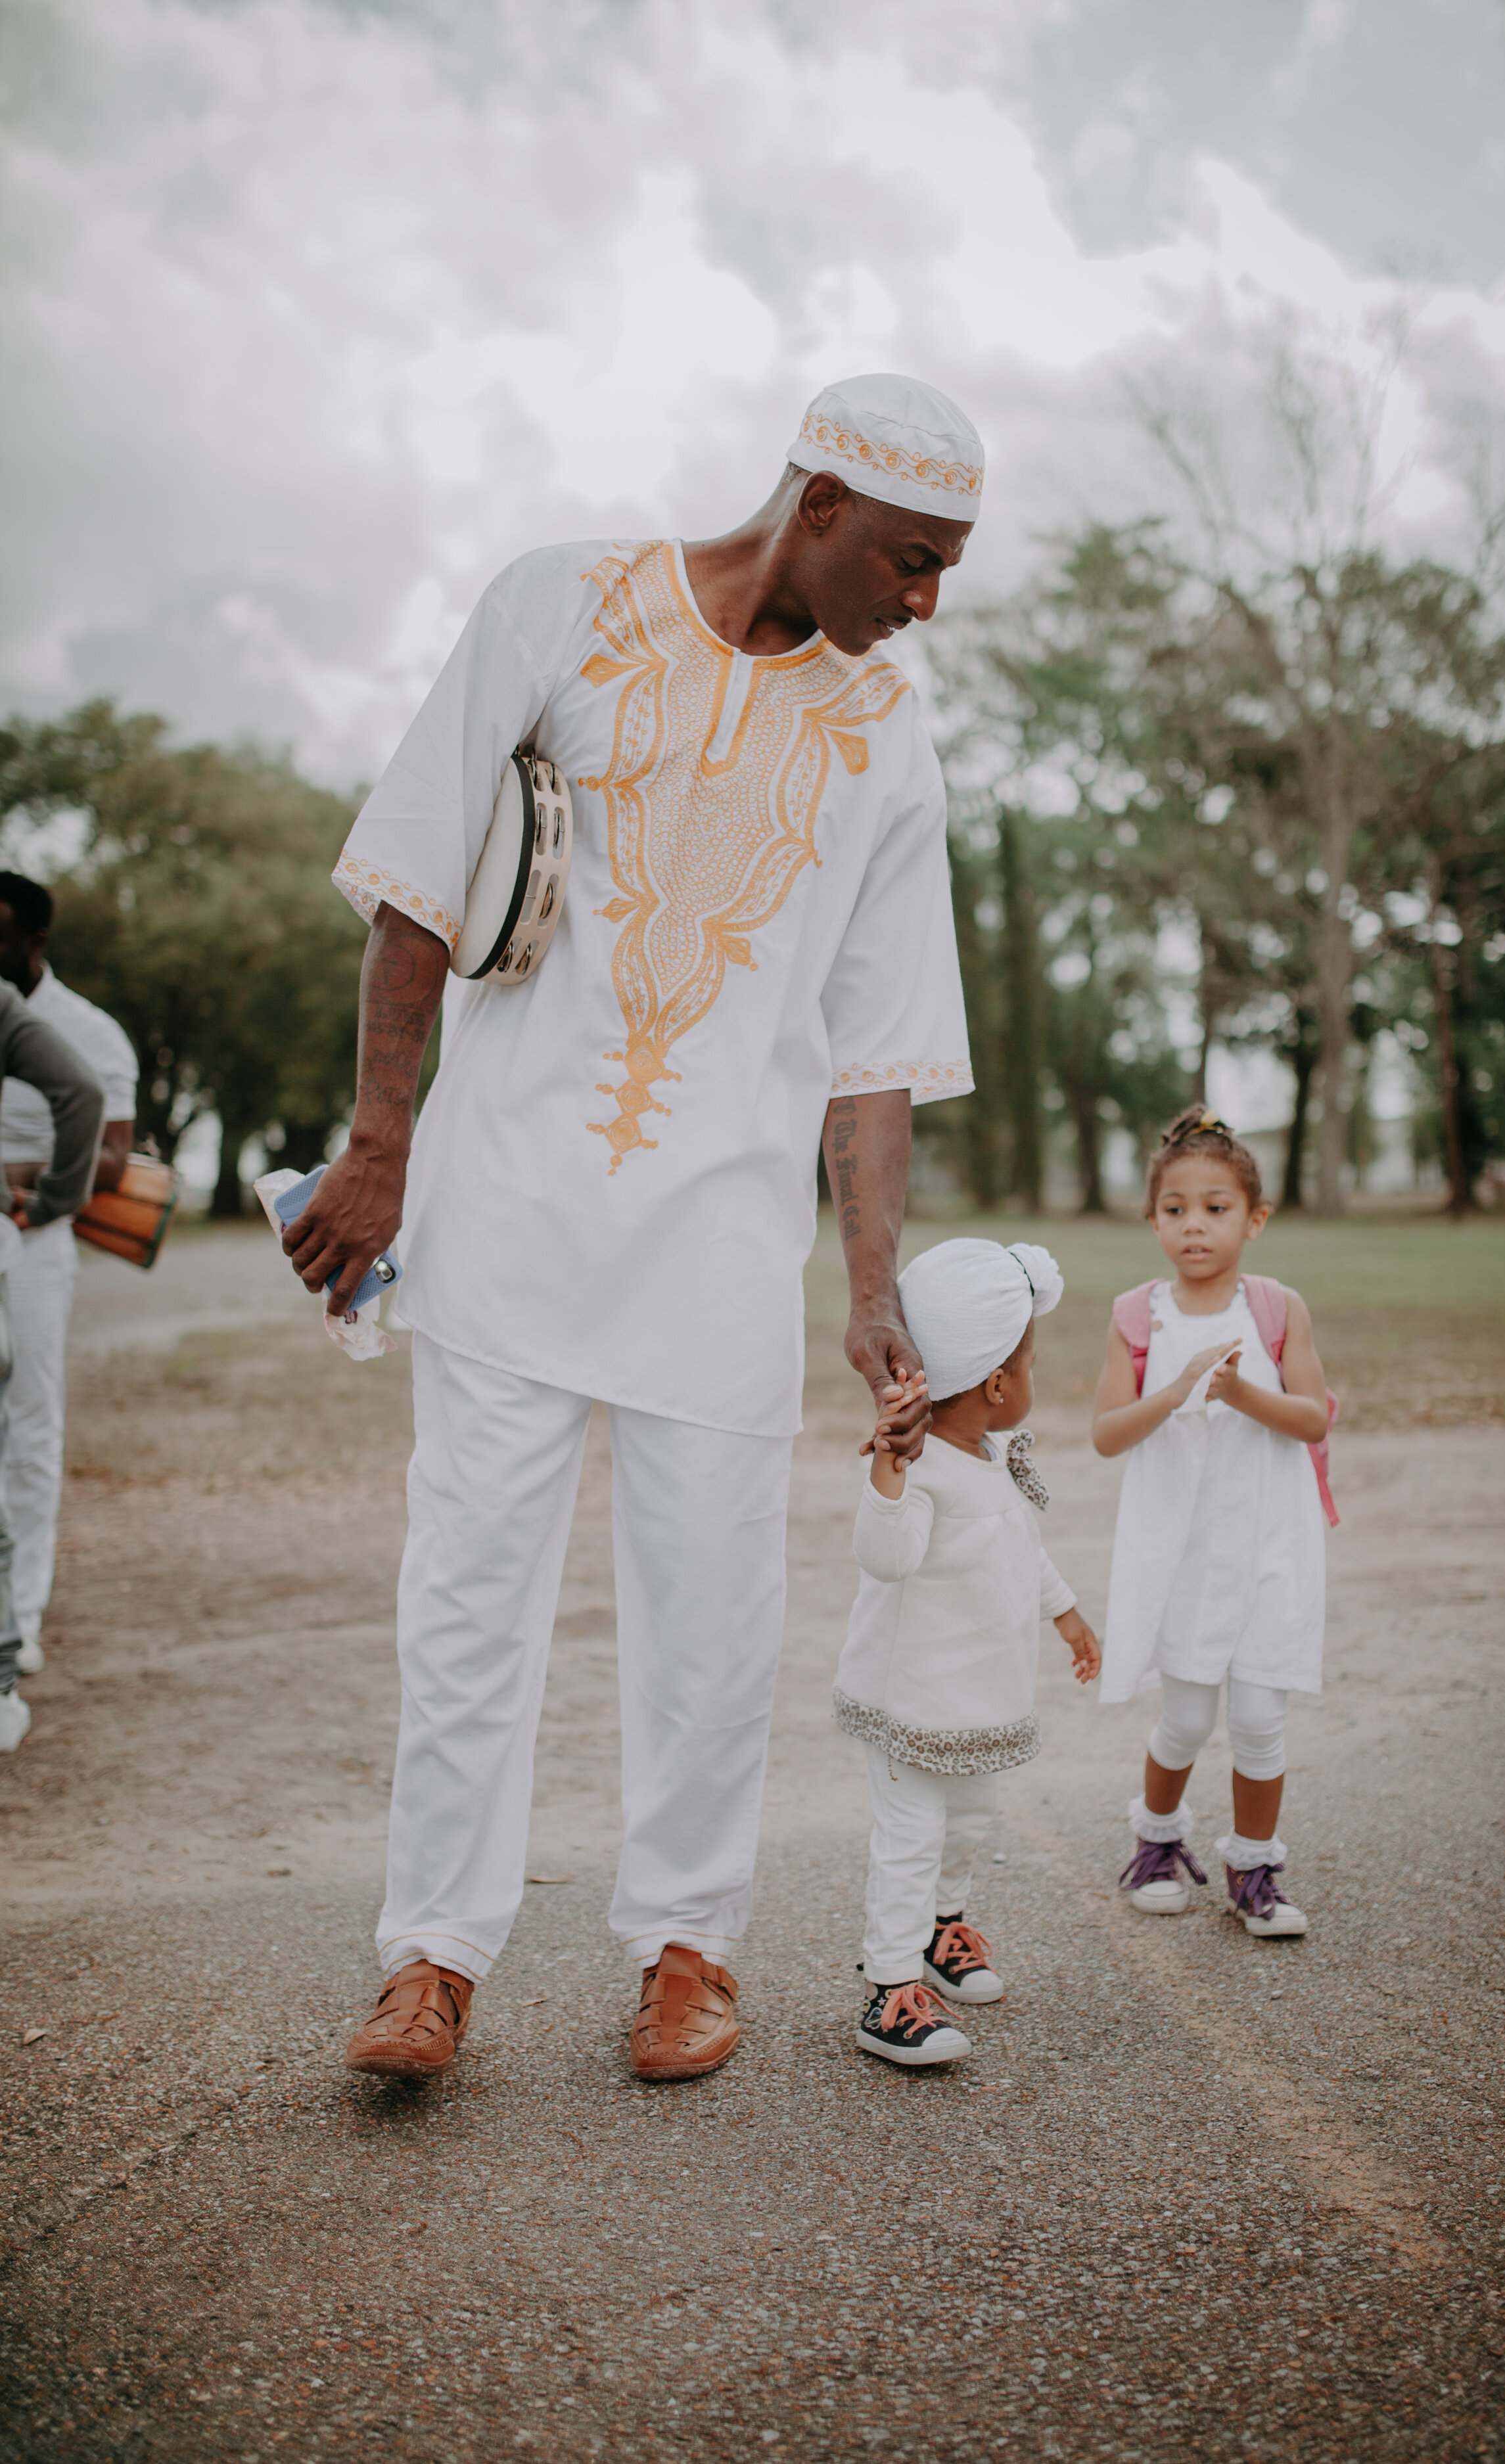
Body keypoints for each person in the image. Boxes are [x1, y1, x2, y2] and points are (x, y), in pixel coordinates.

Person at [283, 375, 983, 2083]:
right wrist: (378, 1141)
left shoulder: (887, 727)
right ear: (815, 504)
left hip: (724, 1249)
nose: (924, 601)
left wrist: (873, 1283)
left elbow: (877, 1046)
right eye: (910, 557)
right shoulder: (558, 599)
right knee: (464, 1599)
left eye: (946, 566)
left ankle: (687, 1947)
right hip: (508, 1208)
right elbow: (420, 886)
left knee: (711, 1611)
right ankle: (432, 1959)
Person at [835, 1238, 1101, 2067]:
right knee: (910, 1835)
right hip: (911, 1700)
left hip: (977, 1697)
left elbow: (1022, 1552)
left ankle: (941, 1932)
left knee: (970, 1821)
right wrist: (886, 1471)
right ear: (995, 1383)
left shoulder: (990, 1457)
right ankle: (887, 1988)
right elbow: (885, 1557)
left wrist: (1064, 1615)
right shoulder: (921, 1469)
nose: (1031, 1380)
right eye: (1028, 1365)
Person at [1092, 1109, 1332, 1938]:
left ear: (1254, 1219)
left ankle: (1255, 1868)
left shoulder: (1275, 1306)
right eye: (1175, 1208)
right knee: (1189, 1717)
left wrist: (1239, 1393)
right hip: (1183, 1548)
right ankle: (1156, 1842)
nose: (1194, 1224)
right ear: (1153, 1217)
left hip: (1269, 1539)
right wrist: (1180, 1387)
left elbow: (1311, 1418)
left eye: (1216, 1207)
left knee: (1262, 1716)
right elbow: (1105, 1434)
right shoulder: (1137, 1315)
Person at [0, 874, 139, 1675]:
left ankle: (20, 1615)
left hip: (33, 1236)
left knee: (28, 1420)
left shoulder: (91, 1032)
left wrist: (27, 1186)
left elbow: (113, 1160)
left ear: (35, 943)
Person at [0, 980, 106, 1750]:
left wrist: (51, 1204)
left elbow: (87, 1095)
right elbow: (80, 1088)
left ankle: (16, 1637)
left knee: (32, 1423)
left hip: (30, 1240)